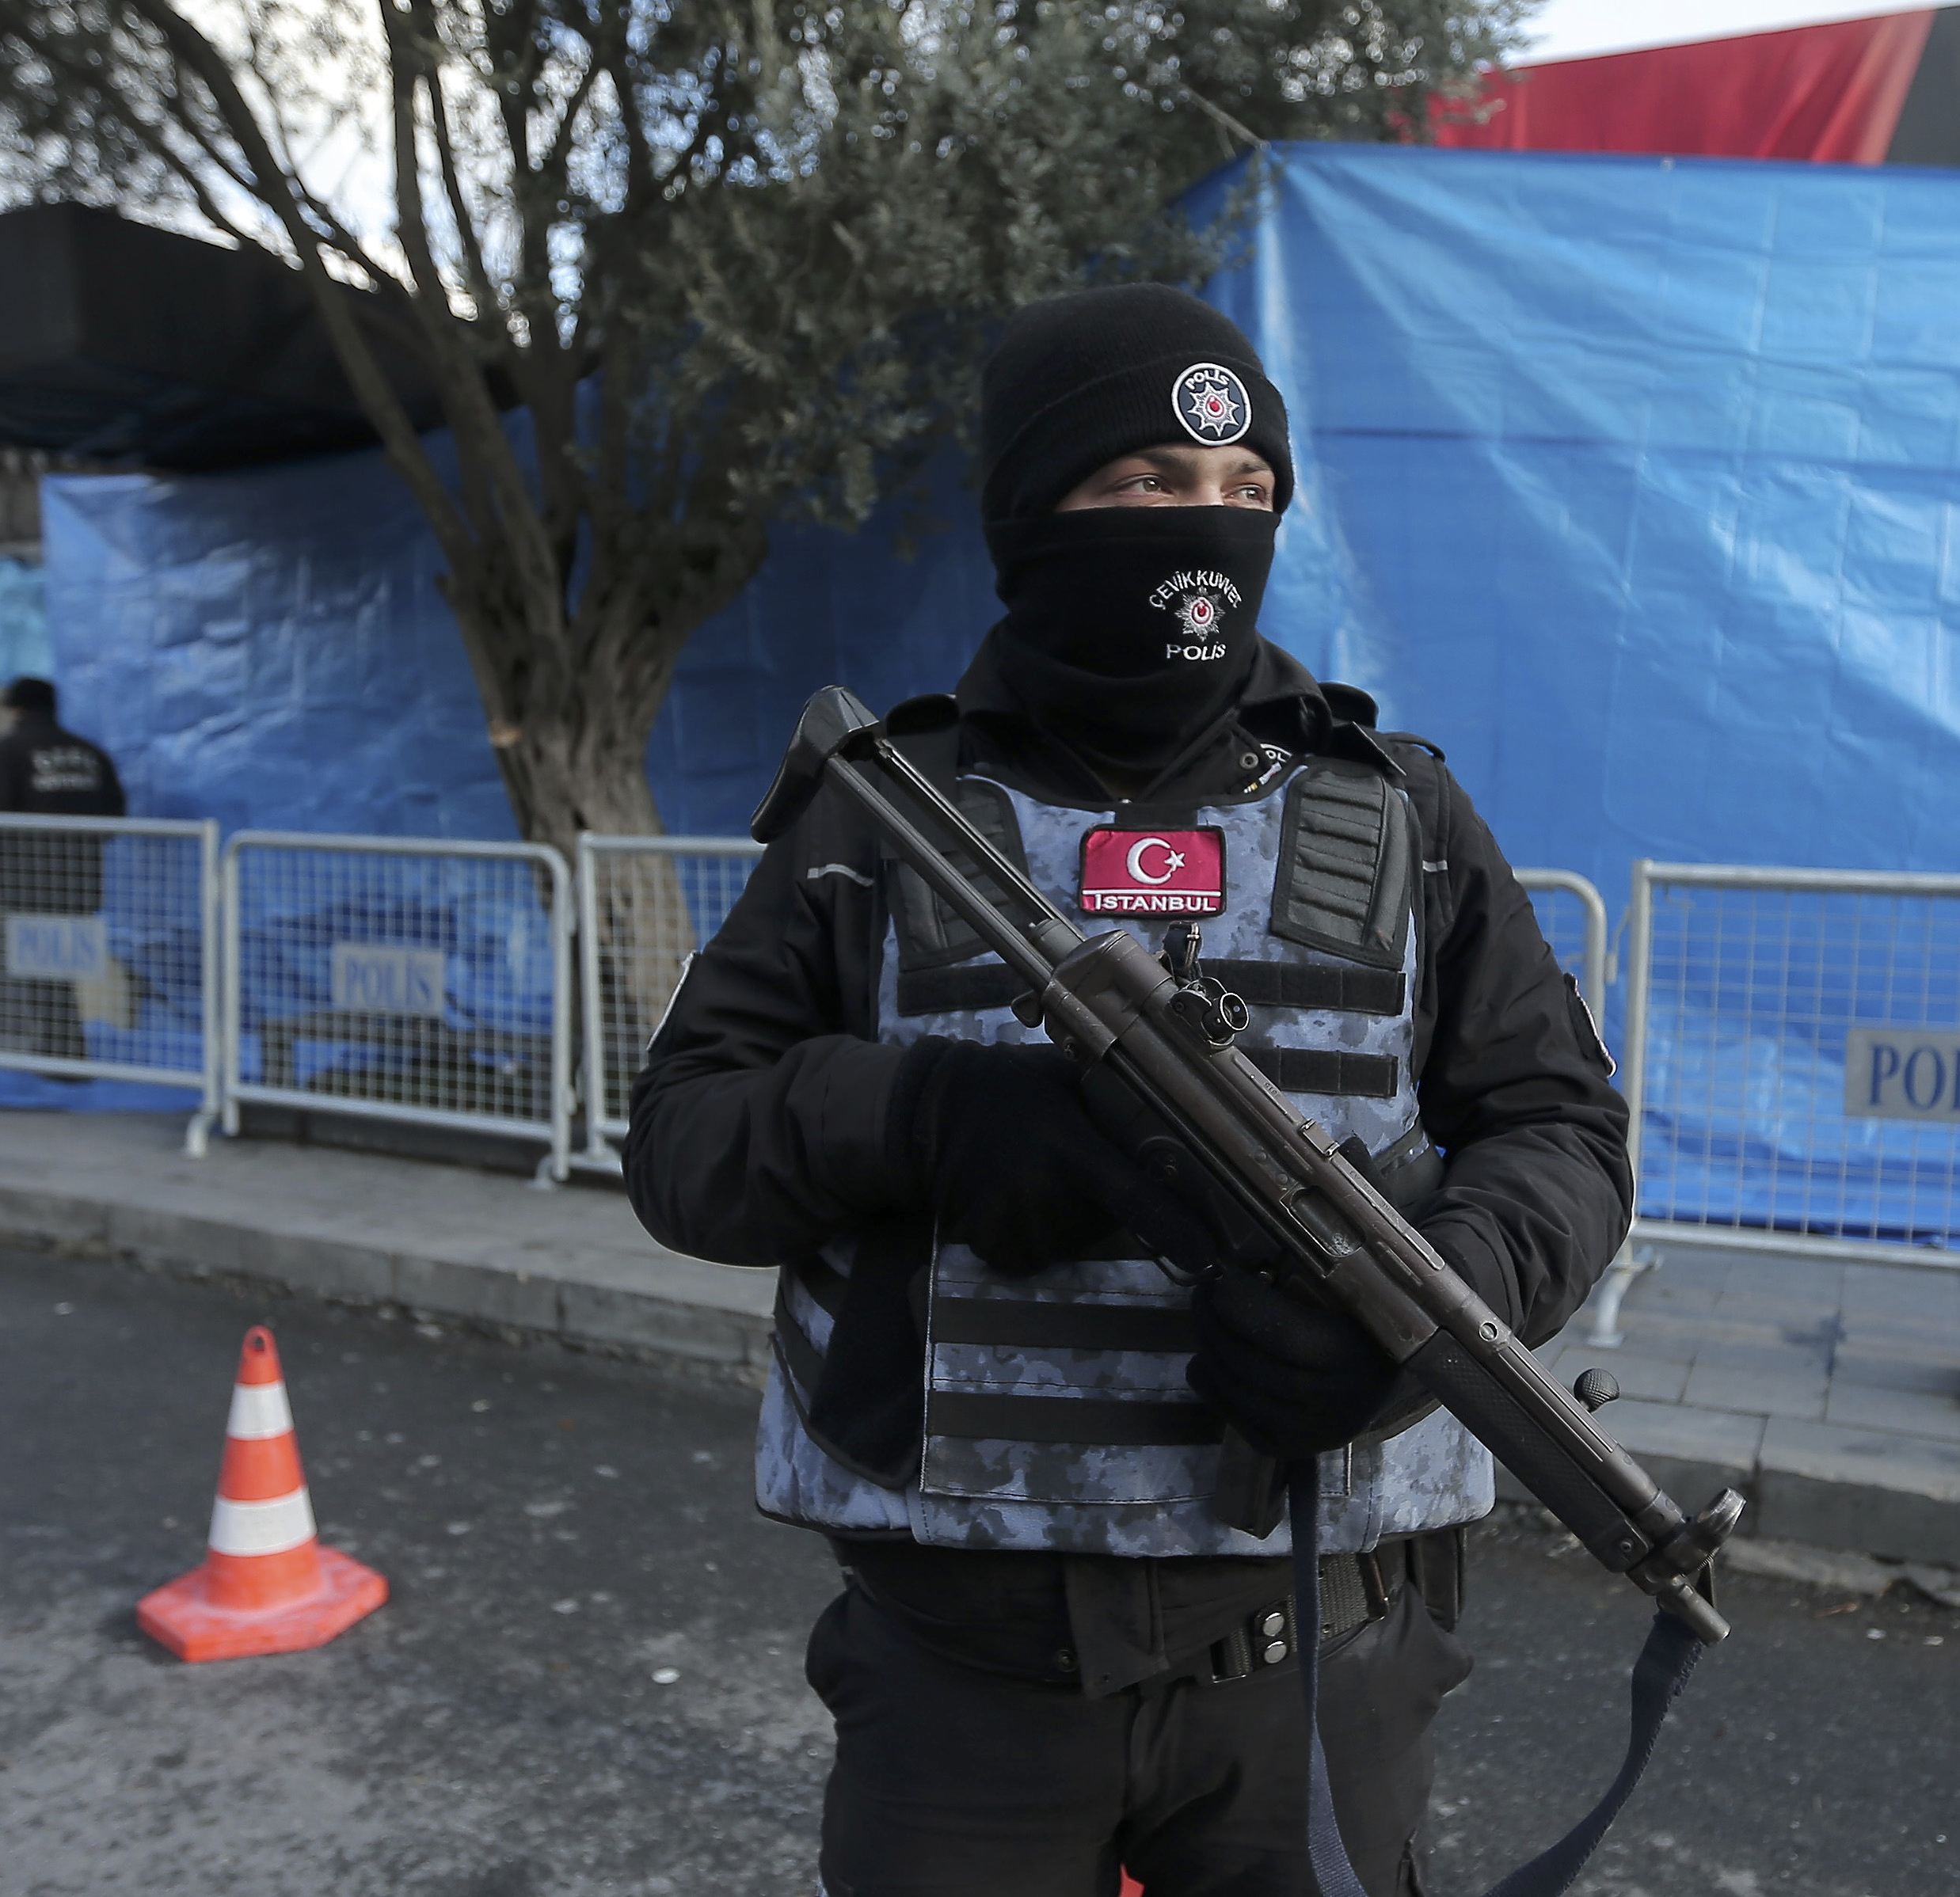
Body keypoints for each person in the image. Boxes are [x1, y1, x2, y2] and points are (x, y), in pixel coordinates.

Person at [623, 287, 1630, 1897]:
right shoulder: (881, 816)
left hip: (1317, 1668)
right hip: (965, 1678)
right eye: (1152, 484)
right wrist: (927, 1118)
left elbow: (1562, 1127)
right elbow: (680, 1144)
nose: (1209, 530)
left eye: (1247, 497)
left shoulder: (1402, 814)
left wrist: (1425, 1319)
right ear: (1034, 507)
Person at [0, 677, 124, 1063]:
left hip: (29, 879)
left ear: (16, 709)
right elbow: (115, 815)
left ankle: (60, 1054)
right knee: (63, 968)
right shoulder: (90, 753)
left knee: (40, 971)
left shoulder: (7, 752)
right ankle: (66, 1047)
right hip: (82, 878)